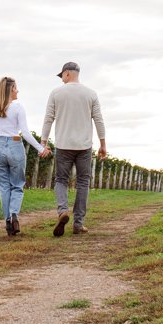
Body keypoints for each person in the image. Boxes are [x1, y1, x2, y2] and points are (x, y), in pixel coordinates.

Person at [40, 61, 106, 236]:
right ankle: (78, 224)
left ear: (67, 73)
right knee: (83, 182)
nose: (61, 78)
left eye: (61, 75)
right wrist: (103, 144)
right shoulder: (91, 94)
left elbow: (48, 118)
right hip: (84, 146)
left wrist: (43, 142)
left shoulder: (56, 93)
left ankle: (62, 210)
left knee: (61, 180)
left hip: (63, 145)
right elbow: (98, 119)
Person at [0, 76, 46, 237]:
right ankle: (14, 214)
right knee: (17, 185)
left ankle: (8, 221)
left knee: (3, 187)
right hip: (15, 145)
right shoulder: (18, 108)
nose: (18, 91)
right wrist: (40, 148)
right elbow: (24, 132)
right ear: (10, 90)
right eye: (16, 88)